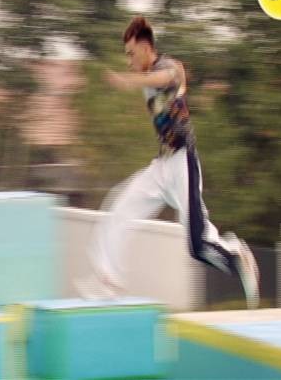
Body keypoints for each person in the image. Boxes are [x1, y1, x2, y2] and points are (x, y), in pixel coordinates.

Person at [78, 16, 260, 309]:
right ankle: (108, 281)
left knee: (198, 245)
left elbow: (168, 78)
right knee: (119, 205)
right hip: (161, 166)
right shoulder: (147, 76)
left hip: (182, 164)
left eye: (131, 54)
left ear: (146, 48)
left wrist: (130, 80)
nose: (129, 62)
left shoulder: (169, 67)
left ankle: (236, 255)